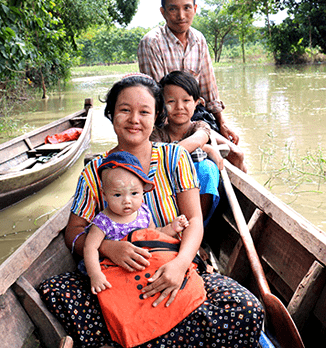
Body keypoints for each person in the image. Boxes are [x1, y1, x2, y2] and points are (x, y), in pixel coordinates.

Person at [39, 73, 264, 348]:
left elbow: (194, 220)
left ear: (157, 116)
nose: (134, 119)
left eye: (144, 112)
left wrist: (180, 265)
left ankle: (143, 339)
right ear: (111, 115)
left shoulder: (174, 157)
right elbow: (73, 233)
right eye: (125, 110)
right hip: (120, 278)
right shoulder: (94, 173)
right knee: (56, 290)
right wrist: (109, 248)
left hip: (172, 267)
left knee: (246, 309)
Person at [137, 0, 243, 165]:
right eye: (173, 8)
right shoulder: (151, 42)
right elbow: (157, 99)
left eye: (186, 8)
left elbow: (208, 88)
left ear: (194, 9)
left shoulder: (198, 39)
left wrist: (222, 124)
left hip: (196, 117)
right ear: (163, 12)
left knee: (237, 154)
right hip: (165, 121)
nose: (181, 15)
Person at [83, 150, 188, 294]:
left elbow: (154, 234)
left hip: (141, 268)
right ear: (105, 195)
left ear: (142, 192)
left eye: (134, 193)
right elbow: (90, 248)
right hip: (114, 271)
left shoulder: (143, 212)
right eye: (118, 194)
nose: (127, 200)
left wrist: (173, 227)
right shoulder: (103, 222)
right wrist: (95, 275)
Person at [151, 70, 226, 225]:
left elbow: (198, 140)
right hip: (167, 202)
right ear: (162, 104)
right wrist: (208, 149)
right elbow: (163, 156)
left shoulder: (200, 127)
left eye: (186, 100)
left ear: (197, 102)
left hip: (194, 207)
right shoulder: (156, 134)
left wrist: (203, 147)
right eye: (171, 101)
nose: (179, 107)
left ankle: (196, 227)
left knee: (207, 168)